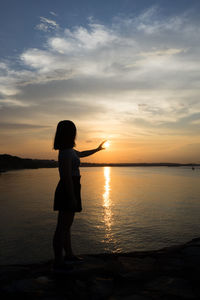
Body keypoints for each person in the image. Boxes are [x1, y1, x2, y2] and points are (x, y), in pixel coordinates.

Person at [52, 120, 106, 272]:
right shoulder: (65, 152)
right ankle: (58, 262)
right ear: (69, 133)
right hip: (68, 188)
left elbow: (82, 154)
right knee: (62, 227)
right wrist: (71, 196)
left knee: (67, 226)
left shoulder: (70, 150)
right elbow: (65, 177)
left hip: (73, 187)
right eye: (73, 131)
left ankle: (68, 255)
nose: (75, 133)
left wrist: (97, 149)